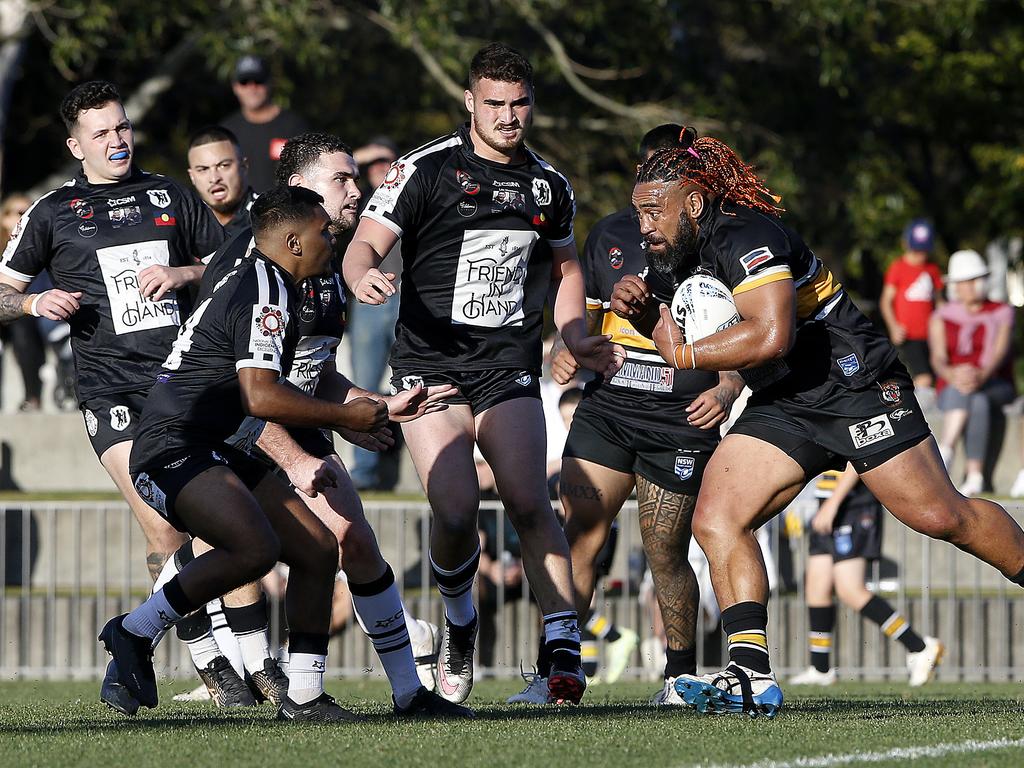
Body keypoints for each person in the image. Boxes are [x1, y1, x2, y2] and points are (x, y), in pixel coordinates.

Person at [614, 126, 1024, 718]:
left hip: (852, 383)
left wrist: (689, 356)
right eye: (639, 211)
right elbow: (686, 313)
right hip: (786, 400)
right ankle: (750, 677)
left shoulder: (749, 233)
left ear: (694, 204)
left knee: (940, 515)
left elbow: (771, 334)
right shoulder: (678, 251)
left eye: (654, 212)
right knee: (718, 517)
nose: (644, 225)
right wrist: (638, 300)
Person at [344, 42, 622, 705]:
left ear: (531, 104)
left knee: (529, 500)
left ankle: (561, 654)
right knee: (456, 508)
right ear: (470, 101)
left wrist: (576, 332)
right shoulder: (424, 169)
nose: (507, 116)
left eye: (518, 103)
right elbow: (361, 244)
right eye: (494, 103)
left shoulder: (549, 184)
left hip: (507, 367)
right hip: (430, 369)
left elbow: (566, 270)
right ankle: (460, 620)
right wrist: (364, 277)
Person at [0, 81, 257, 706]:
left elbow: (235, 266)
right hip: (110, 392)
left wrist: (182, 273)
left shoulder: (169, 193)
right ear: (75, 143)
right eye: (101, 133)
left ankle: (251, 663)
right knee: (165, 532)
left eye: (122, 128)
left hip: (185, 388)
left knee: (222, 529)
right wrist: (34, 300)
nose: (116, 141)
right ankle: (213, 668)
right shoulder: (52, 211)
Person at [199, 132, 470, 717]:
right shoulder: (252, 259)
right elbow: (229, 380)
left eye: (355, 177)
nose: (357, 190)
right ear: (299, 190)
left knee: (355, 545)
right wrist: (294, 457)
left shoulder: (323, 260)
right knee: (301, 548)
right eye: (341, 179)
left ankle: (406, 694)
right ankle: (147, 641)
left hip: (293, 421)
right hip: (233, 431)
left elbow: (311, 369)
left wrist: (368, 407)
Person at [103, 185, 393, 721]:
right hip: (175, 441)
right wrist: (347, 419)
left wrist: (373, 408)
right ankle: (134, 629)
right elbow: (260, 395)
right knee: (255, 550)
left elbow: (281, 390)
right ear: (292, 241)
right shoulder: (266, 289)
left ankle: (304, 696)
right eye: (322, 232)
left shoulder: (271, 279)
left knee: (315, 549)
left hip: (219, 442)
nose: (331, 239)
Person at [508, 124, 744, 707]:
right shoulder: (610, 234)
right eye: (647, 174)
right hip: (609, 410)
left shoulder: (722, 241)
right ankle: (557, 675)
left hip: (679, 418)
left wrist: (730, 384)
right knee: (580, 537)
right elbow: (583, 321)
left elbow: (749, 332)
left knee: (664, 552)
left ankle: (679, 678)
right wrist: (568, 348)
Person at [789, 464, 943, 687]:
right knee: (816, 587)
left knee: (850, 590)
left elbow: (855, 459)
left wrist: (833, 504)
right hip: (825, 502)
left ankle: (919, 647)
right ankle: (820, 668)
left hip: (851, 505)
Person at [931, 249, 1014, 496]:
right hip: (954, 383)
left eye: (973, 281)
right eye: (963, 282)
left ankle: (947, 451)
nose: (969, 287)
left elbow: (999, 353)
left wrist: (979, 375)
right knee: (975, 400)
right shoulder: (941, 316)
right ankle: (974, 474)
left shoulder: (1001, 311)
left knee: (978, 395)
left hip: (994, 382)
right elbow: (938, 358)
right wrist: (955, 375)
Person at [348, 138, 403, 490]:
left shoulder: (411, 194)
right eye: (373, 164)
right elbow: (322, 171)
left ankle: (432, 468)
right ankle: (365, 473)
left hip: (408, 299)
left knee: (418, 381)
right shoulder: (356, 201)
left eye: (388, 162)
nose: (380, 168)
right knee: (363, 387)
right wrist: (364, 156)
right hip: (367, 301)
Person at [221, 56, 309, 193]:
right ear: (235, 87)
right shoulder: (226, 130)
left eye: (258, 81)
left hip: (286, 211)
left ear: (270, 83)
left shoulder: (294, 126)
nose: (252, 88)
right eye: (244, 82)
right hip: (242, 213)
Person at [879, 219, 943, 392]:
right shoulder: (898, 268)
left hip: (932, 335)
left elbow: (939, 302)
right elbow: (886, 301)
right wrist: (893, 327)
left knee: (937, 375)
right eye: (916, 250)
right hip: (909, 336)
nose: (920, 255)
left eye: (923, 250)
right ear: (905, 244)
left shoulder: (932, 270)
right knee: (924, 378)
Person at [0, 193, 44, 411]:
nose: (25, 218)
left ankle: (32, 398)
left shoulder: (39, 247)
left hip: (25, 314)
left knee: (23, 329)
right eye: (20, 213)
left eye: (29, 212)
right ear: (4, 218)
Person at [187, 125, 256, 238]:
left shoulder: (270, 220)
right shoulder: (184, 226)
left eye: (224, 166)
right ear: (192, 176)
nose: (214, 178)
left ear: (244, 166)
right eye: (203, 169)